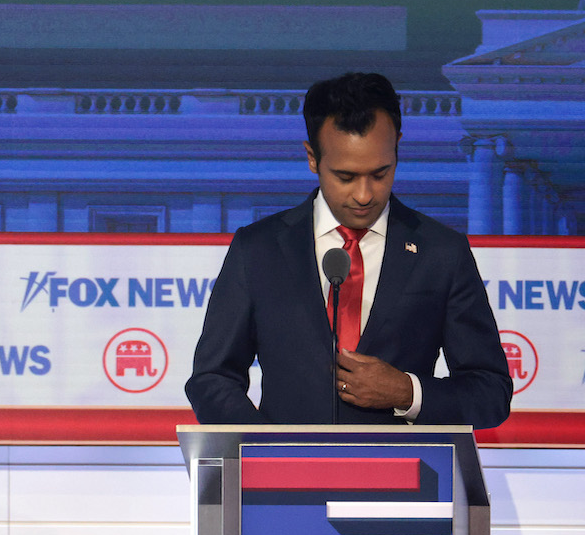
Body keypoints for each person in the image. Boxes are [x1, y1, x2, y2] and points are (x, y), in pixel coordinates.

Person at [185, 72, 511, 428]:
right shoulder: (258, 249)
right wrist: (261, 451)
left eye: (380, 173)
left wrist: (407, 392)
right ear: (312, 158)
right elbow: (212, 379)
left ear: (398, 146)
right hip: (285, 478)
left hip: (403, 477)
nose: (364, 194)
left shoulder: (442, 252)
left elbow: (490, 393)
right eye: (345, 176)